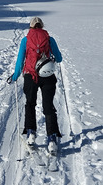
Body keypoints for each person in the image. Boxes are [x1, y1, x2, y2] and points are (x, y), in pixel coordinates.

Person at [8, 17, 63, 153]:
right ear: (42, 26)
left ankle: (31, 134)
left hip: (30, 76)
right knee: (48, 106)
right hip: (48, 75)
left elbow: (20, 60)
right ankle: (52, 139)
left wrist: (15, 75)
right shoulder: (50, 39)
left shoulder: (26, 40)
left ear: (31, 27)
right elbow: (60, 58)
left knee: (30, 103)